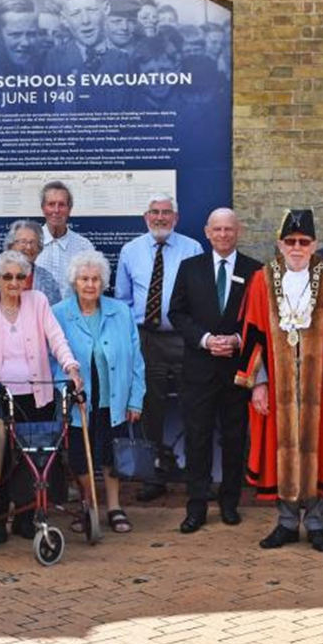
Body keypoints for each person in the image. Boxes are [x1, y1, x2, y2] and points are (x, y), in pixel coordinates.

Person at [236, 209, 323, 551]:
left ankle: (317, 523)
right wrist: (258, 383)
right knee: (280, 451)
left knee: (319, 449)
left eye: (303, 242)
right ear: (280, 244)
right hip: (278, 383)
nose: (296, 247)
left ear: (314, 244)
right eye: (290, 241)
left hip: (319, 383)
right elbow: (253, 333)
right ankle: (287, 522)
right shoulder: (263, 279)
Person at [0, 250, 82, 542]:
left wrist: (70, 365)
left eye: (21, 276)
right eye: (8, 277)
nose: (15, 282)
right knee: (2, 459)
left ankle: (25, 517)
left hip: (36, 394)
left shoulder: (38, 301)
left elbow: (56, 338)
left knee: (33, 459)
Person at [169, 208, 261, 532]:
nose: (223, 235)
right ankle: (196, 507)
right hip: (199, 368)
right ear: (207, 232)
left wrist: (238, 339)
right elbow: (176, 313)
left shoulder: (255, 271)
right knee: (198, 439)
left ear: (238, 231)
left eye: (229, 229)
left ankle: (229, 503)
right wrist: (206, 340)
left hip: (237, 371)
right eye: (217, 229)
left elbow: (261, 320)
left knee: (235, 439)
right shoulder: (189, 268)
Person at [115, 194, 202, 502]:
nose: (160, 218)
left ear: (175, 218)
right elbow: (123, 301)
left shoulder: (192, 249)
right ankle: (154, 476)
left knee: (194, 407)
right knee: (150, 410)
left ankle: (196, 477)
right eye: (155, 212)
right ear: (145, 216)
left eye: (166, 213)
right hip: (146, 341)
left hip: (183, 340)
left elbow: (200, 299)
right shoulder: (130, 251)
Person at [52, 250, 144, 534]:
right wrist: (65, 387)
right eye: (84, 279)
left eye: (95, 279)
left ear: (103, 283)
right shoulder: (59, 313)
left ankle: (115, 507)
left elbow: (137, 360)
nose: (90, 284)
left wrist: (136, 400)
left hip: (113, 400)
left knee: (111, 455)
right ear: (74, 282)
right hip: (80, 403)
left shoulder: (121, 312)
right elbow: (52, 359)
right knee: (80, 456)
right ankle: (88, 506)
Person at [0, 220, 64, 305]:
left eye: (33, 242)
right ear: (11, 245)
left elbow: (54, 313)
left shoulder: (48, 280)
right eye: (23, 242)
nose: (28, 247)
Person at [36, 180, 94, 298]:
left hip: (72, 315)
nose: (56, 210)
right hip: (35, 315)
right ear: (43, 208)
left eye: (61, 205)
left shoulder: (84, 247)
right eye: (51, 204)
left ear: (70, 209)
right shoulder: (28, 244)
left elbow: (92, 288)